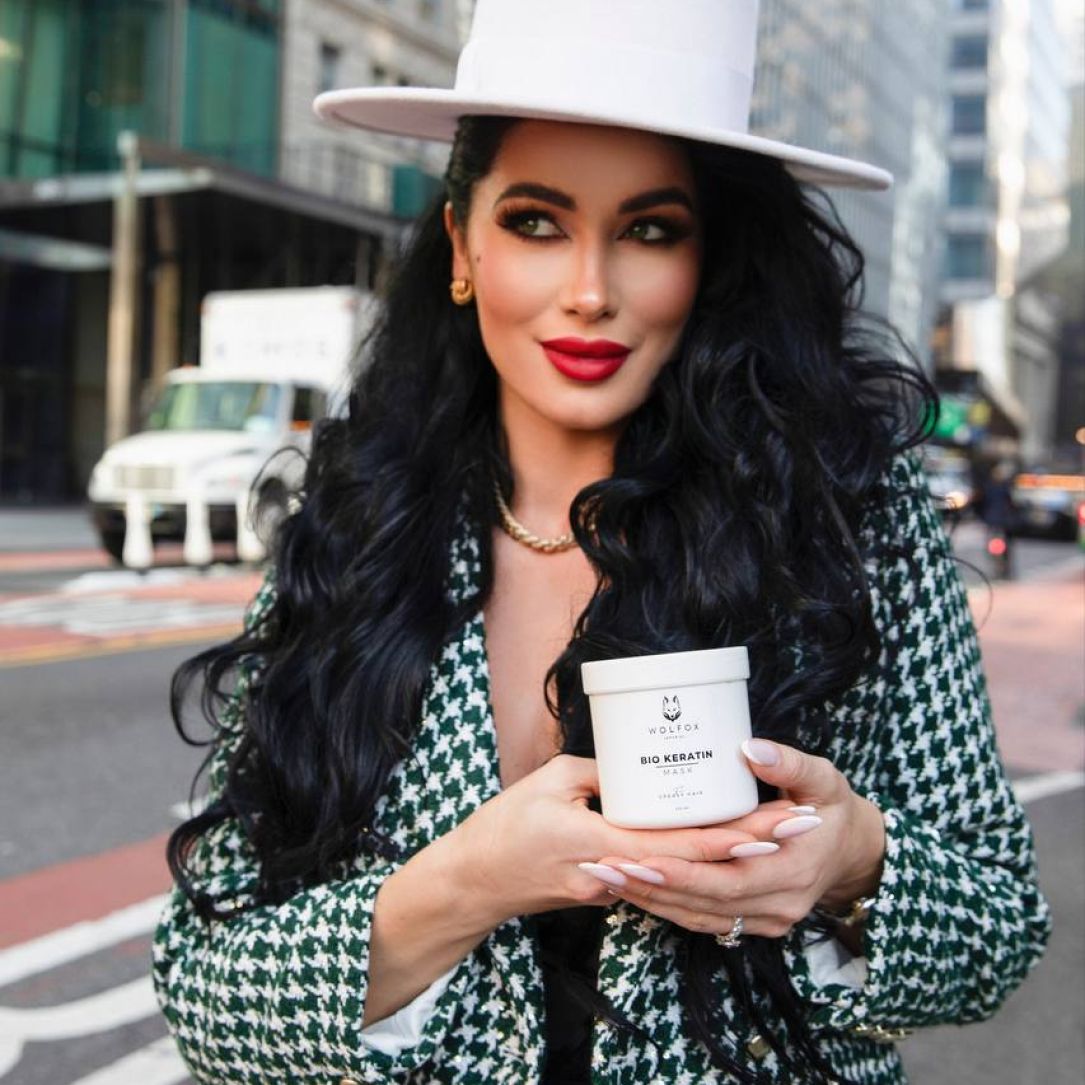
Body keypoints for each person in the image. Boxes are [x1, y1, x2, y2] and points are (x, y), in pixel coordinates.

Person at [153, 2, 1051, 1082]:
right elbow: (202, 988)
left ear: (708, 256)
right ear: (462, 245)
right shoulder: (353, 522)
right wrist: (466, 881)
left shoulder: (845, 513)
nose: (589, 292)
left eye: (648, 229)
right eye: (535, 222)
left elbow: (999, 928)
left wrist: (854, 860)